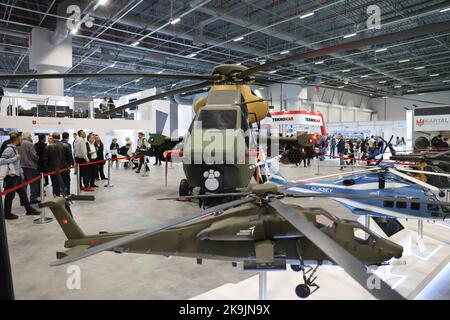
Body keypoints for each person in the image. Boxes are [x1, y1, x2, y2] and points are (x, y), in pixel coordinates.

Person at [0, 132, 40, 219]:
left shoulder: (15, 148)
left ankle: (29, 209)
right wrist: (15, 158)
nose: (21, 140)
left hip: (17, 175)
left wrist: (21, 172)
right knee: (10, 195)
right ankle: (7, 213)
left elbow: (17, 163)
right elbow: (1, 161)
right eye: (20, 139)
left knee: (23, 194)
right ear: (17, 139)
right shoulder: (9, 149)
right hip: (11, 177)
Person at [17, 132, 40, 204]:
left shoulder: (18, 144)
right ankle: (33, 199)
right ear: (29, 136)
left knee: (23, 184)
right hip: (30, 166)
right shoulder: (30, 144)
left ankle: (23, 200)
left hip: (20, 166)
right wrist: (37, 158)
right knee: (33, 184)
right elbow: (34, 155)